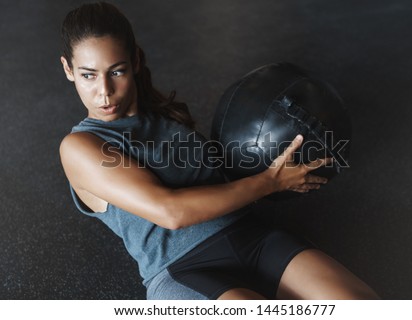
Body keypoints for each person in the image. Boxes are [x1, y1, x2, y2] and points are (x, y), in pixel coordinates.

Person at [59, 2, 379, 300]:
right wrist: (271, 181)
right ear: (69, 70)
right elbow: (170, 212)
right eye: (88, 75)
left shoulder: (165, 117)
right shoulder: (80, 146)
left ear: (136, 62)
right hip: (183, 270)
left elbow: (226, 174)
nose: (104, 91)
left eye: (117, 71)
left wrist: (281, 156)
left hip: (251, 236)